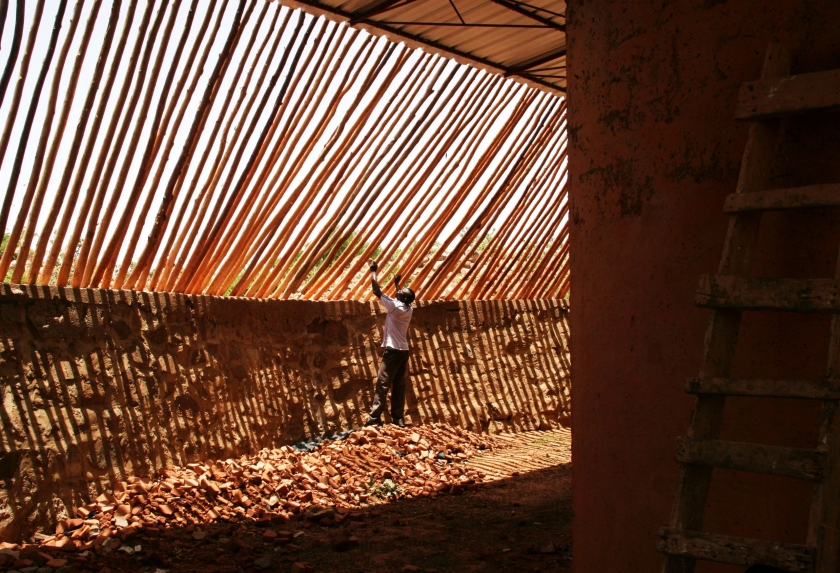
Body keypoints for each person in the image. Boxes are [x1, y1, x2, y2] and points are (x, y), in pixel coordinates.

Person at [365, 258, 415, 428]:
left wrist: (373, 271)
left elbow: (376, 291)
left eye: (400, 292)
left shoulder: (394, 306)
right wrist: (397, 284)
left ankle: (374, 418)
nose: (398, 293)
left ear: (402, 298)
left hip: (393, 351)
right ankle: (398, 418)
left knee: (383, 382)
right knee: (399, 384)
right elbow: (402, 296)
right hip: (404, 351)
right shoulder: (408, 308)